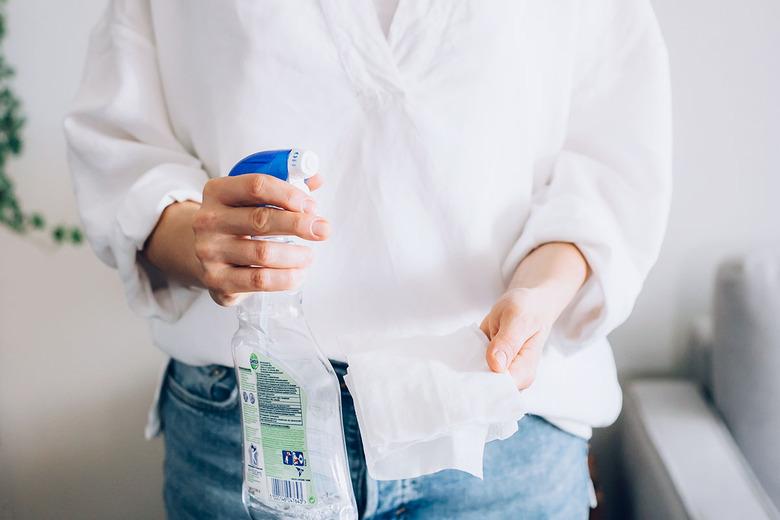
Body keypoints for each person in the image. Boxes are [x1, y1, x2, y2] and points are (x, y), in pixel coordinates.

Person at [64, 0, 671, 518]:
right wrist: (201, 240)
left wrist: (538, 295)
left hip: (500, 431)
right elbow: (122, 151)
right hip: (250, 424)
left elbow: (610, 168)